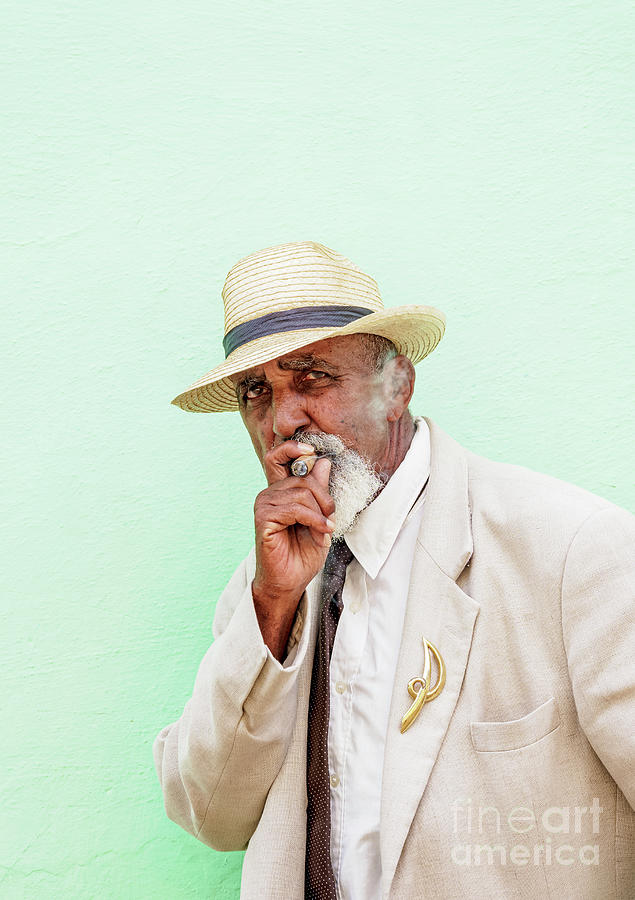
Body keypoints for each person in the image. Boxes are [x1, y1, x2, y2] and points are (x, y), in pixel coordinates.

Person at [153, 241, 634, 900]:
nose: (282, 419)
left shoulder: (571, 547)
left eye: (312, 376)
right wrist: (271, 609)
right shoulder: (262, 591)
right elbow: (210, 815)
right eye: (255, 392)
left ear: (395, 385)